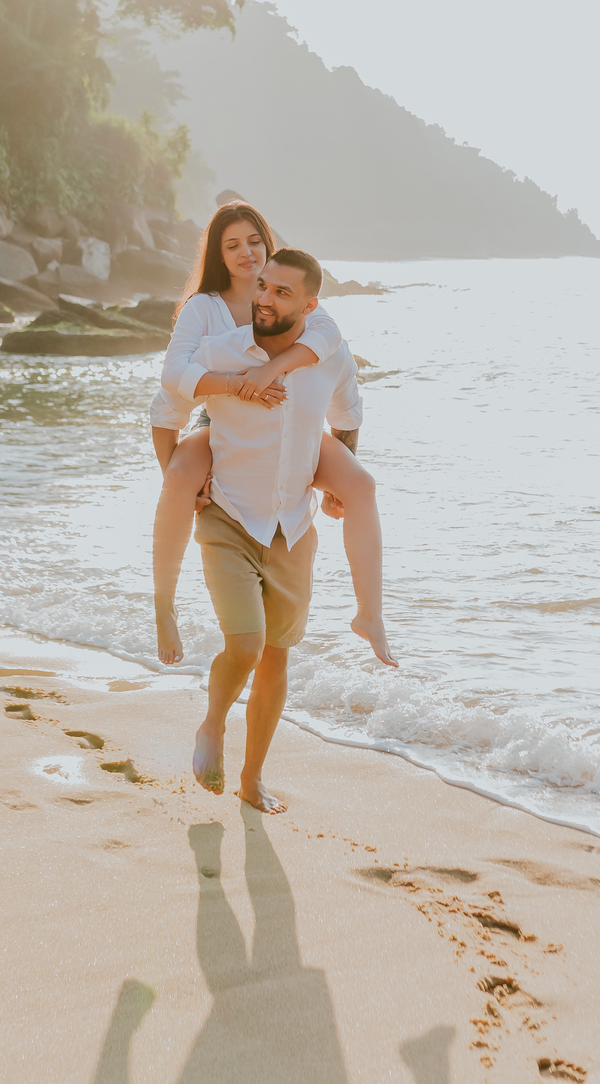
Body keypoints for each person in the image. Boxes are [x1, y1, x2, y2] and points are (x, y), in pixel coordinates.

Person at [150, 202, 395, 669]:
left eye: (254, 241)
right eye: (232, 245)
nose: (246, 252)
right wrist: (236, 386)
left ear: (269, 244)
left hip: (291, 423)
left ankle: (370, 614)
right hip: (218, 418)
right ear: (218, 254)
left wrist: (274, 368)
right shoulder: (204, 308)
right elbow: (174, 379)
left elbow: (329, 345)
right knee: (179, 476)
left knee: (361, 484)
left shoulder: (296, 299)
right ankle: (164, 606)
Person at [174, 247, 367, 811]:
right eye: (262, 285)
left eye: (282, 292)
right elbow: (172, 391)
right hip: (228, 516)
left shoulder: (329, 355)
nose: (264, 298)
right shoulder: (224, 350)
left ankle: (252, 778)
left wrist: (338, 484)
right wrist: (182, 472)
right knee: (247, 644)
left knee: (277, 655)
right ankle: (213, 724)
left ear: (310, 306)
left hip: (293, 527)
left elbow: (348, 416)